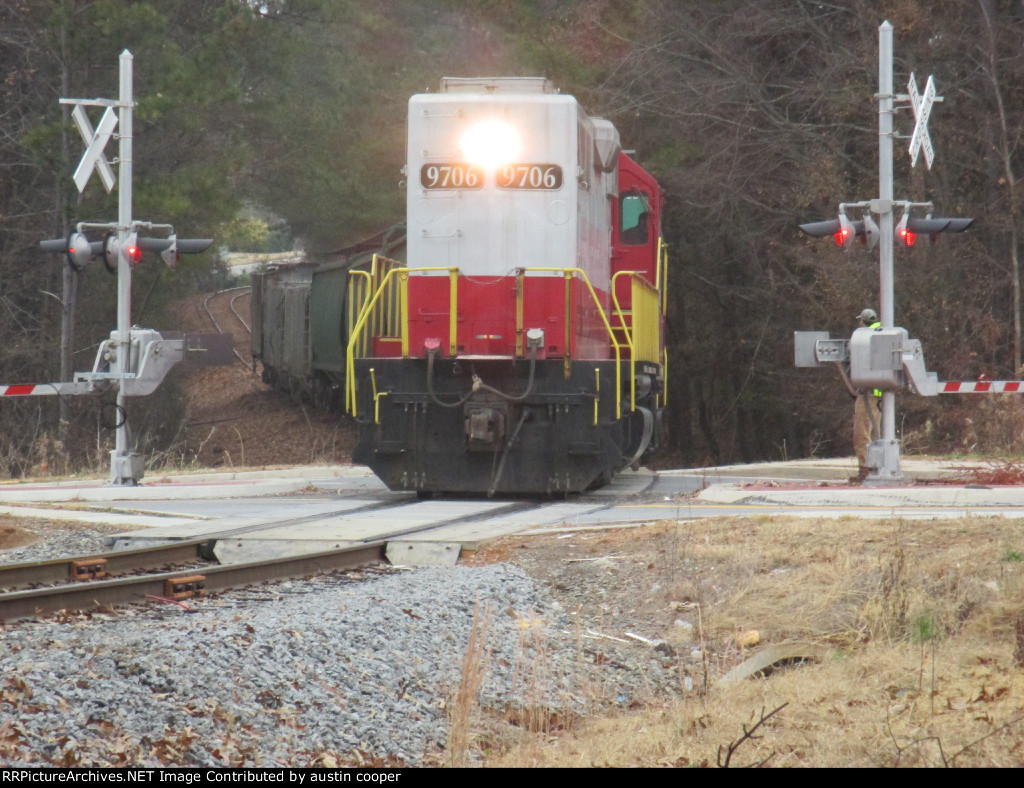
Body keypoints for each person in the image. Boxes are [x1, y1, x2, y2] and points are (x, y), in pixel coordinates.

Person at [853, 308, 882, 479]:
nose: (859, 323)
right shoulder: (883, 333)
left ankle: (865, 469)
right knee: (874, 432)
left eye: (860, 321)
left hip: (868, 393)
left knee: (861, 433)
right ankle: (876, 467)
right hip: (881, 394)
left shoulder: (863, 337)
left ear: (863, 322)